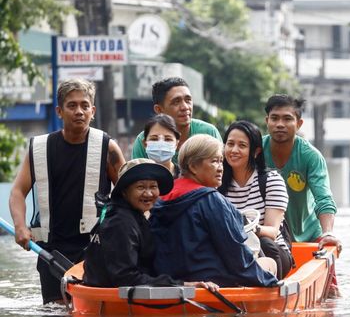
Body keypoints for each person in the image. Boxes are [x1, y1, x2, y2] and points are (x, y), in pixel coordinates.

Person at [9, 78, 125, 304]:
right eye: (72, 106)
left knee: (90, 314)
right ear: (59, 111)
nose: (79, 111)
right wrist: (20, 226)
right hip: (51, 249)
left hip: (95, 248)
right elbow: (17, 192)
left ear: (93, 110)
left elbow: (127, 193)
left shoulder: (107, 147)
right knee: (55, 316)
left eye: (84, 106)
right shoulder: (40, 148)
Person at [150, 134, 278, 287]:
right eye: (214, 161)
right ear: (193, 167)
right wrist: (269, 280)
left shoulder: (161, 198)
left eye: (221, 161)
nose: (220, 168)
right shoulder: (211, 200)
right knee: (270, 263)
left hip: (173, 282)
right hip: (213, 283)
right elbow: (236, 256)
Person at [83, 158, 217, 291]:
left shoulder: (130, 215)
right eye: (140, 187)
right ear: (124, 192)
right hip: (114, 301)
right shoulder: (120, 223)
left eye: (153, 186)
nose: (148, 193)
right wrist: (183, 285)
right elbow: (126, 279)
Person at [262, 94, 340, 251]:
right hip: (268, 236)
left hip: (309, 236)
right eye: (274, 118)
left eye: (287, 119)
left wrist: (328, 232)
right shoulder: (255, 150)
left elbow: (323, 197)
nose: (280, 124)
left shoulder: (311, 156)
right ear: (267, 121)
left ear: (299, 124)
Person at [219, 120, 294, 280]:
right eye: (230, 144)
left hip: (272, 251)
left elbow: (272, 232)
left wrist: (249, 228)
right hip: (235, 251)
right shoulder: (217, 185)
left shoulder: (271, 181)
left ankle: (269, 286)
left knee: (266, 242)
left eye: (242, 145)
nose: (234, 150)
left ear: (255, 152)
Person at [131, 77, 221, 165]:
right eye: (176, 102)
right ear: (159, 109)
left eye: (188, 100)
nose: (185, 107)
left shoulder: (208, 133)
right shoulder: (145, 140)